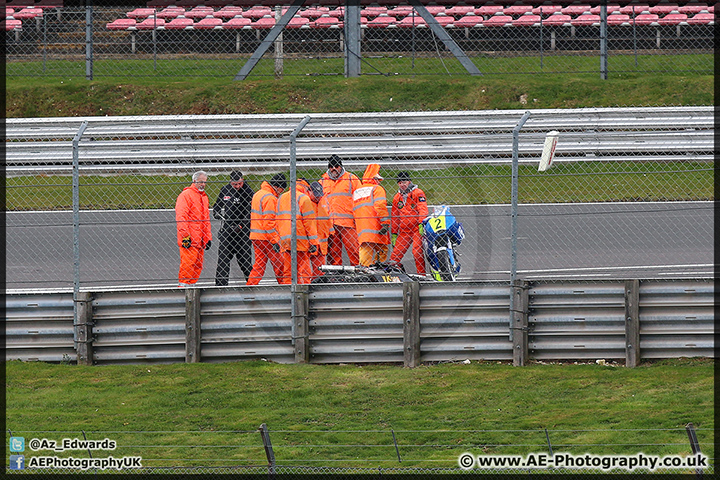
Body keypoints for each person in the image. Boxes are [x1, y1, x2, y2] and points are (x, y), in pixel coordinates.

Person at [212, 171, 254, 286]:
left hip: (243, 232)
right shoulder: (225, 190)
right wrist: (217, 213)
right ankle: (220, 286)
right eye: (235, 184)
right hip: (227, 229)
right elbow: (217, 206)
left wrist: (241, 225)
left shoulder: (248, 191)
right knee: (223, 260)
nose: (237, 186)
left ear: (243, 180)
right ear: (231, 182)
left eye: (239, 184)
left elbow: (250, 211)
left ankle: (251, 284)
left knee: (245, 261)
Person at [276, 178, 319, 284]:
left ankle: (287, 294)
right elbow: (309, 223)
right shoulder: (304, 198)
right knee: (304, 270)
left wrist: (277, 239)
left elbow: (277, 219)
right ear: (306, 187)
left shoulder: (282, 197)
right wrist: (314, 242)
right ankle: (303, 293)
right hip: (300, 240)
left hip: (285, 239)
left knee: (288, 271)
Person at [320, 155, 361, 266]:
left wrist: (358, 219)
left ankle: (358, 271)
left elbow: (361, 200)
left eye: (336, 166)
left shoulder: (351, 179)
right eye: (331, 166)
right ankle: (336, 273)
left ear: (341, 166)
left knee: (354, 249)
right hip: (330, 224)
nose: (334, 168)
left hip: (348, 222)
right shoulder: (323, 181)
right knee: (333, 252)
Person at [246, 173, 287, 285]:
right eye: (281, 190)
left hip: (256, 236)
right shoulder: (270, 198)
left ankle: (251, 285)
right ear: (278, 187)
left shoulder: (258, 194)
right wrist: (275, 240)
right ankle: (285, 287)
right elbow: (269, 222)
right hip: (267, 238)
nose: (280, 193)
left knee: (259, 265)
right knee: (280, 264)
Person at [175, 170, 213, 287]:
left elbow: (206, 220)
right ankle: (183, 288)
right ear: (194, 181)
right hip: (190, 238)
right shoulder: (186, 195)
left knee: (197, 265)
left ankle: (191, 287)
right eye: (200, 182)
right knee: (187, 265)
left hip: (200, 239)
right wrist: (185, 236)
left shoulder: (203, 197)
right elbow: (181, 217)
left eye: (204, 182)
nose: (203, 185)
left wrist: (207, 238)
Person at [390, 171, 429, 275]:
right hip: (404, 231)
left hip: (416, 229)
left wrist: (421, 223)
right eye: (400, 183)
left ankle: (421, 275)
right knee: (395, 256)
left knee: (417, 253)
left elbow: (423, 209)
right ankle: (395, 275)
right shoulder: (396, 198)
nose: (402, 184)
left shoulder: (418, 193)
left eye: (404, 182)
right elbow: (395, 217)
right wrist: (394, 233)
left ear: (409, 181)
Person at [353, 164, 390, 266]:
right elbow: (380, 205)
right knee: (382, 250)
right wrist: (385, 222)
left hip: (363, 229)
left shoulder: (357, 191)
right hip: (377, 226)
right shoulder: (377, 189)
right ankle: (378, 271)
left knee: (366, 251)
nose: (379, 182)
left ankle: (365, 272)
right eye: (378, 179)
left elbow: (354, 210)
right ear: (374, 178)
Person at [308, 181, 334, 281]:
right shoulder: (305, 202)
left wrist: (331, 233)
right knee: (304, 270)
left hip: (322, 243)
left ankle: (317, 286)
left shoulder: (324, 201)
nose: (318, 197)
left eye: (320, 195)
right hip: (309, 243)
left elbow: (329, 218)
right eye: (316, 195)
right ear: (310, 192)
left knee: (320, 270)